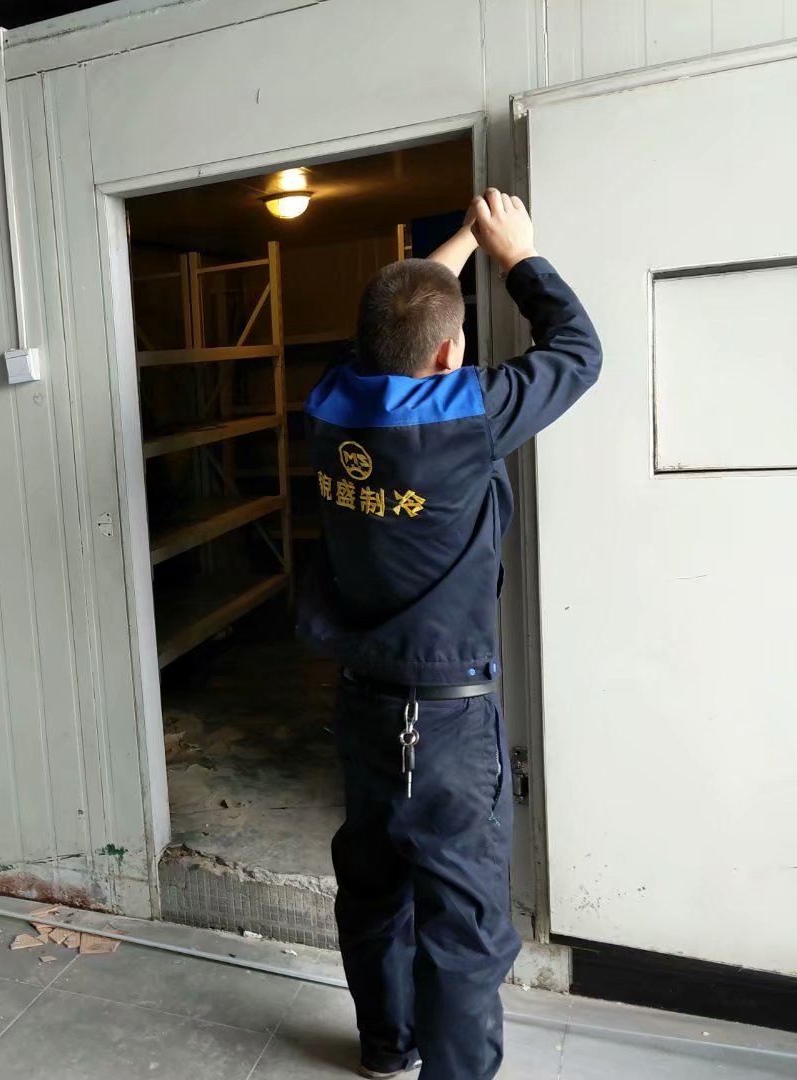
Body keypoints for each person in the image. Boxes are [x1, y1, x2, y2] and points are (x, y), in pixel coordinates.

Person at [300, 190, 600, 1080]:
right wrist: (519, 256)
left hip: (363, 709)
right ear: (448, 354)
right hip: (448, 723)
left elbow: (395, 332)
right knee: (463, 931)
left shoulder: (331, 403)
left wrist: (469, 238)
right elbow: (578, 354)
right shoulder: (466, 417)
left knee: (373, 891)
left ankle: (387, 1049)